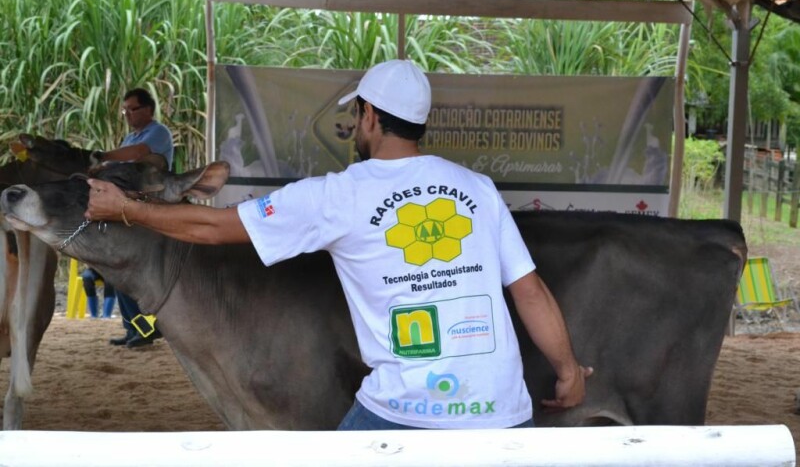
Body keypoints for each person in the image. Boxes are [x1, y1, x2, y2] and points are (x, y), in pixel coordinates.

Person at [85, 60, 592, 429]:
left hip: (404, 414)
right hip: (501, 414)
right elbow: (530, 292)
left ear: (369, 116)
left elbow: (213, 228)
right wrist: (568, 372)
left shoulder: (338, 195)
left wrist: (124, 209)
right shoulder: (478, 189)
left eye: (358, 116)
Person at [94, 87, 173, 349]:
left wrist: (104, 156)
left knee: (133, 271)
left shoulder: (157, 133)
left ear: (148, 109)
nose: (127, 113)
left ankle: (147, 328)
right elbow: (120, 162)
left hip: (149, 208)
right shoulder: (129, 137)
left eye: (132, 108)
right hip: (128, 208)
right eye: (125, 109)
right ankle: (136, 330)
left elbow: (138, 153)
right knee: (119, 270)